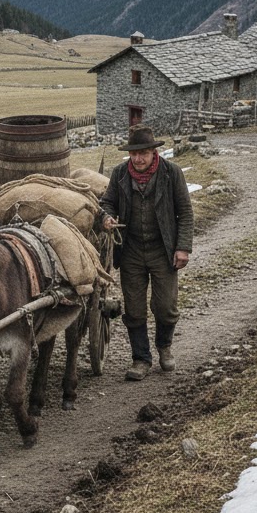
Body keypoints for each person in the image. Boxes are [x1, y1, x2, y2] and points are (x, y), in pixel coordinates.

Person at [101, 126, 193, 381]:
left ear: (154, 152)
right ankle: (141, 359)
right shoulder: (120, 174)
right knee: (134, 309)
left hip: (163, 250)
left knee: (165, 306)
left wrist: (183, 247)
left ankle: (164, 347)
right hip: (130, 250)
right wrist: (107, 217)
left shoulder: (171, 173)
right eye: (134, 154)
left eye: (143, 154)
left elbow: (185, 212)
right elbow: (107, 202)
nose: (138, 159)